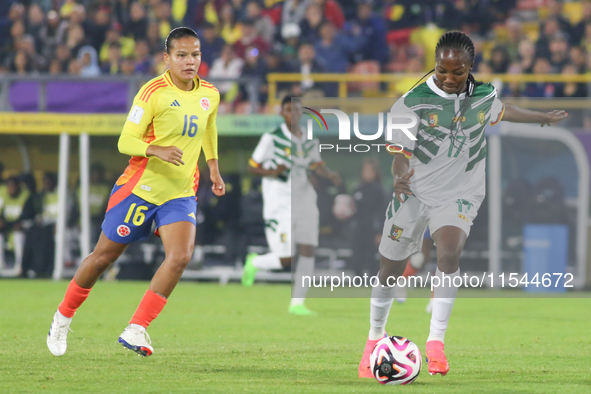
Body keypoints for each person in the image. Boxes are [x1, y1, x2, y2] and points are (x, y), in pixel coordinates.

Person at [358, 31, 567, 377]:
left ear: (471, 66)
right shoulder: (411, 102)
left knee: (449, 253)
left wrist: (541, 116)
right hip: (412, 191)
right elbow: (399, 154)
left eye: (458, 72)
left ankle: (436, 342)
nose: (449, 78)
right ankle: (373, 339)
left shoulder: (483, 95)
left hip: (458, 191)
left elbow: (503, 110)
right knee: (389, 270)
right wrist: (399, 176)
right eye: (442, 71)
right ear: (435, 66)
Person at [47, 27, 225, 357]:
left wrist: (213, 166)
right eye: (182, 55)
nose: (190, 61)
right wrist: (157, 150)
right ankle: (63, 317)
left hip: (180, 192)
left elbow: (208, 127)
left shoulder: (210, 94)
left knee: (181, 256)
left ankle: (137, 327)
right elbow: (125, 141)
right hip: (140, 191)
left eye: (195, 54)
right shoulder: (152, 92)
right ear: (167, 58)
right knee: (103, 258)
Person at [241, 96, 341, 316]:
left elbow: (317, 164)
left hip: (305, 199)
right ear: (282, 113)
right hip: (280, 201)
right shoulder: (272, 138)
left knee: (307, 249)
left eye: (297, 110)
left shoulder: (309, 139)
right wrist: (273, 172)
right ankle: (255, 262)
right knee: (287, 257)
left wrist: (330, 174)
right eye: (289, 110)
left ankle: (297, 303)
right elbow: (252, 167)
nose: (293, 113)